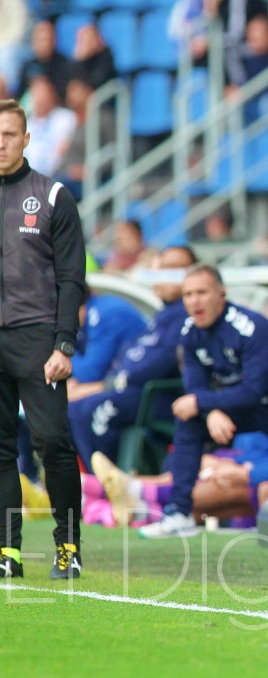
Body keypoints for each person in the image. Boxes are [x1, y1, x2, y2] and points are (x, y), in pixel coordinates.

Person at [138, 264, 268, 538]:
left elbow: (252, 389)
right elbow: (195, 386)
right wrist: (210, 410)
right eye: (188, 294)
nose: (194, 301)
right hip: (252, 405)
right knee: (189, 418)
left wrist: (203, 403)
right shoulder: (189, 332)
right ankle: (179, 513)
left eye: (202, 292)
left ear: (221, 294)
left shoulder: (251, 328)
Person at [0, 98, 88, 580]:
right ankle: (7, 552)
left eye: (9, 135)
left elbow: (72, 278)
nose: (0, 144)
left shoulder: (53, 195)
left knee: (53, 442)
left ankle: (68, 546)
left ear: (27, 139)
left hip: (38, 340)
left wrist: (64, 343)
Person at [68, 246, 196, 472]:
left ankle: (109, 481)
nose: (166, 276)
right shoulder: (164, 315)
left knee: (89, 409)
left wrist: (113, 381)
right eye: (162, 269)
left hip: (163, 395)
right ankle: (89, 480)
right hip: (136, 389)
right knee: (69, 408)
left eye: (175, 269)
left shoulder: (189, 315)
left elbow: (156, 363)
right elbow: (130, 356)